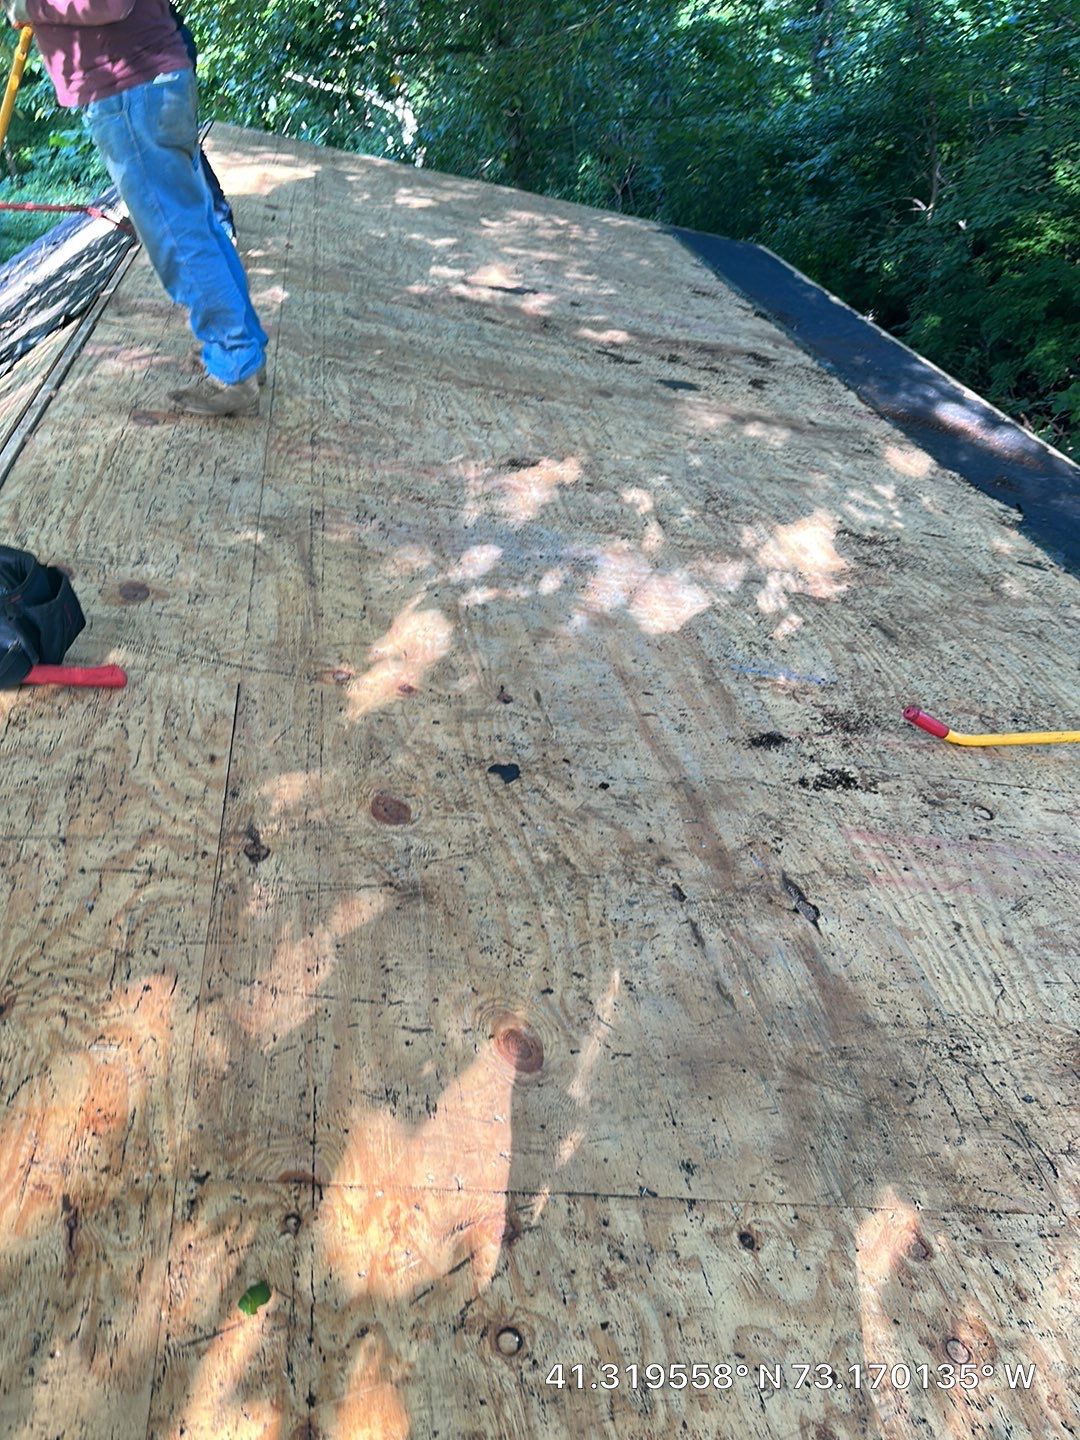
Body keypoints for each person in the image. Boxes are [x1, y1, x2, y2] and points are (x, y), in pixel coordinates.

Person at [5, 0, 266, 416]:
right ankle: (242, 350)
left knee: (178, 239)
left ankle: (235, 364)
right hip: (148, 84)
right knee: (197, 226)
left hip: (131, 90)